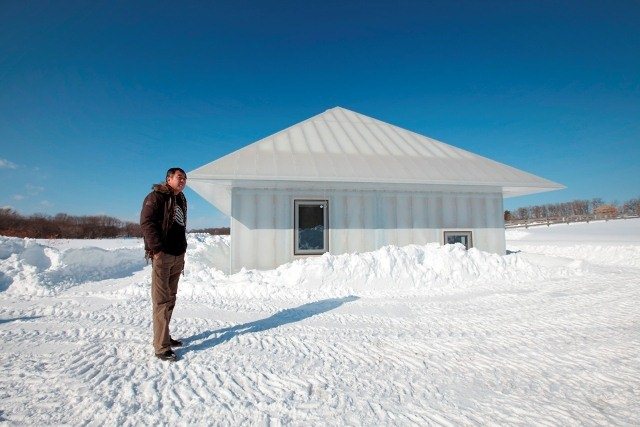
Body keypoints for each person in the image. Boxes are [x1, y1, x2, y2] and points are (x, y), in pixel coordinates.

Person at [140, 167, 188, 362]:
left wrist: (182, 249)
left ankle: (165, 336)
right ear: (169, 179)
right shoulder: (156, 196)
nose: (183, 181)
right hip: (163, 255)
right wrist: (157, 249)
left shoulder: (181, 199)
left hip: (177, 255)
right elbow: (146, 222)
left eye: (185, 178)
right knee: (161, 300)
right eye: (179, 177)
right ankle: (161, 347)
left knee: (170, 298)